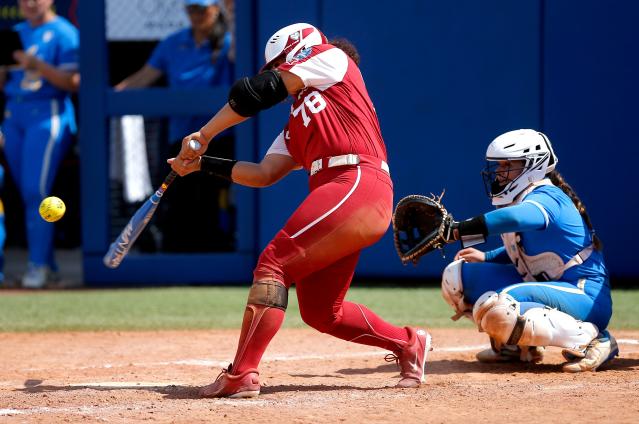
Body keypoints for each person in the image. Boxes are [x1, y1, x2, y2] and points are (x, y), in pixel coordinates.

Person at [169, 23, 432, 398]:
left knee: (273, 264)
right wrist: (203, 163)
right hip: (342, 194)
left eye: (281, 65)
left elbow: (256, 92)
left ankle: (242, 372)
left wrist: (205, 133)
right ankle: (409, 343)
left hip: (356, 181)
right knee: (322, 311)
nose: (280, 75)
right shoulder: (298, 119)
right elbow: (264, 174)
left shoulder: (332, 59)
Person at [439, 129, 616, 372]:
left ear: (532, 166)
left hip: (582, 294)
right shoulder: (520, 198)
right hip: (544, 283)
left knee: (496, 307)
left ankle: (594, 339)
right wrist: (486, 256)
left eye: (508, 164)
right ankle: (515, 346)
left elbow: (516, 218)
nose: (500, 171)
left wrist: (461, 230)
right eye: (499, 165)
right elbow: (522, 250)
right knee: (456, 277)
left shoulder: (548, 195)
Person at [116, 0, 235, 252]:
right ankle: (180, 254)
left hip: (219, 138)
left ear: (216, 10)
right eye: (192, 9)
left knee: (211, 197)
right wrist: (113, 96)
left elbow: (239, 58)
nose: (196, 15)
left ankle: (214, 254)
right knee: (179, 198)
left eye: (202, 9)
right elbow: (145, 76)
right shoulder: (172, 42)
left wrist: (233, 18)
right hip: (181, 136)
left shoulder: (227, 41)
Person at [0, 0, 79, 288]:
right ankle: (49, 265)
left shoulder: (65, 32)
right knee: (25, 193)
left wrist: (37, 65)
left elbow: (74, 81)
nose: (31, 3)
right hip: (13, 114)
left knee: (37, 191)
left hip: (47, 114)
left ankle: (38, 266)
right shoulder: (16, 31)